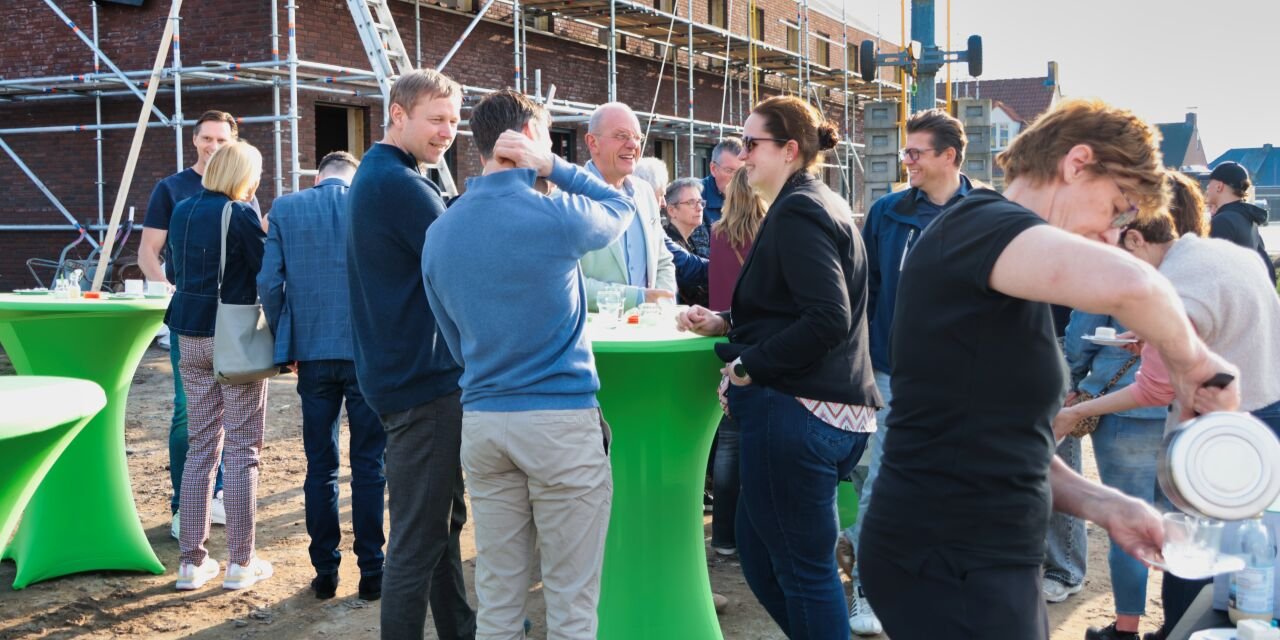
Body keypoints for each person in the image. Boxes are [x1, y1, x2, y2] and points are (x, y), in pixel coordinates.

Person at [855, 98, 1241, 640]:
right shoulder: (977, 225)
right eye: (1117, 208)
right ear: (1077, 163)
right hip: (945, 554)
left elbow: (1006, 442)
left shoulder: (1010, 273)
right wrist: (1195, 366)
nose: (1113, 235)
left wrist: (1109, 506)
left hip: (983, 555)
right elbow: (1135, 284)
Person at [422, 89, 632, 640]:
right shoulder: (552, 213)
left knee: (497, 596)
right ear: (530, 139)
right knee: (570, 602)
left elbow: (451, 333)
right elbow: (621, 206)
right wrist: (558, 166)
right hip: (559, 421)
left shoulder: (440, 230)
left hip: (486, 419)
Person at [677, 95, 882, 638]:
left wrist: (748, 365)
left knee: (802, 570)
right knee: (761, 553)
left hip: (798, 413)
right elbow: (797, 308)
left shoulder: (799, 210)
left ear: (789, 150)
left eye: (752, 144)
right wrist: (726, 323)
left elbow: (827, 318)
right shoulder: (815, 203)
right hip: (821, 414)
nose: (743, 156)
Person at [1052, 178, 1280, 640]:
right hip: (1264, 418)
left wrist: (1077, 411)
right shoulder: (1228, 254)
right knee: (1250, 560)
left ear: (1137, 237)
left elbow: (1154, 389)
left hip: (1222, 436)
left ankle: (1171, 631)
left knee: (1193, 549)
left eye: (1123, 250)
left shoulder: (1170, 289)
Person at [345, 69, 475, 640]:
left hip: (409, 376)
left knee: (441, 526)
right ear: (397, 114)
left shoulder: (388, 175)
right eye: (436, 119)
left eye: (453, 120)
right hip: (420, 383)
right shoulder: (398, 184)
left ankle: (460, 630)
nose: (448, 131)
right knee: (419, 539)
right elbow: (466, 260)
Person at [842, 107, 974, 636]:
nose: (907, 161)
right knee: (881, 482)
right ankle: (868, 591)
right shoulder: (887, 212)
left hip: (960, 378)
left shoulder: (986, 212)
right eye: (904, 151)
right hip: (891, 372)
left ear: (950, 157)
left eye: (916, 153)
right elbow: (863, 289)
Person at [256, 151, 385, 601]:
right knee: (370, 464)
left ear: (317, 177)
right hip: (365, 351)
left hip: (311, 353)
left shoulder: (287, 208)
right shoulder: (371, 204)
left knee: (321, 465)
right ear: (356, 177)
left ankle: (325, 571)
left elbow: (269, 284)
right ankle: (372, 571)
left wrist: (285, 339)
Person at [140, 110, 257, 539]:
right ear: (194, 141)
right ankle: (184, 507)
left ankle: (216, 501)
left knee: (221, 422)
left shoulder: (241, 195)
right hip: (195, 322)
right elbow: (148, 253)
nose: (213, 146)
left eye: (221, 140)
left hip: (220, 323)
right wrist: (175, 294)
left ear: (233, 142)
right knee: (194, 417)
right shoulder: (173, 190)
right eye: (206, 138)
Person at [166, 140, 271, 591]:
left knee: (201, 447)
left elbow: (174, 270)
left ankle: (191, 563)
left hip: (186, 332)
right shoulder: (241, 212)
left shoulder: (182, 208)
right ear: (244, 175)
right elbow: (266, 268)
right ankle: (241, 563)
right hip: (232, 338)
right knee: (243, 449)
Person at [706, 165, 767, 559]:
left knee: (726, 444)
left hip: (725, 336)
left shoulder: (717, 234)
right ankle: (750, 538)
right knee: (758, 446)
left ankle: (723, 537)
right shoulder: (771, 234)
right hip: (761, 341)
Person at [579, 103, 676, 310]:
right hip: (597, 338)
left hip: (648, 331)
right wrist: (636, 298)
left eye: (637, 137)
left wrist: (661, 304)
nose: (633, 144)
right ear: (592, 142)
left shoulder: (646, 193)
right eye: (621, 136)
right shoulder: (569, 199)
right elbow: (567, 283)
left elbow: (663, 262)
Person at [1204, 161, 1276, 284]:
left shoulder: (1223, 221)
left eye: (1209, 183)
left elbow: (1212, 272)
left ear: (1219, 186)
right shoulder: (1248, 218)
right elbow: (1266, 267)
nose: (1206, 188)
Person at [663, 177, 710, 306]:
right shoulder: (667, 243)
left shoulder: (689, 240)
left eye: (700, 202)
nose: (699, 208)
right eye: (691, 202)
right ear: (672, 210)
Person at [701, 136, 744, 233]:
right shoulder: (695, 198)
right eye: (729, 170)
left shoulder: (756, 197)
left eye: (741, 172)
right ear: (713, 169)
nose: (736, 178)